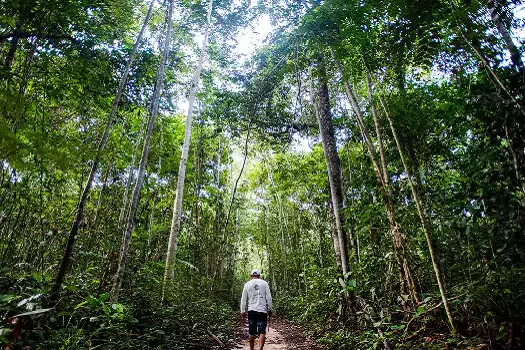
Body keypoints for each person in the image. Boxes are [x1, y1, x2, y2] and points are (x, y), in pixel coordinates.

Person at [240, 269, 273, 350]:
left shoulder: (247, 284)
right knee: (262, 331)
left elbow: (243, 299)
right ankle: (260, 348)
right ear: (259, 276)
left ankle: (252, 349)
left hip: (251, 310)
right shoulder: (264, 283)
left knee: (251, 332)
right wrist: (270, 309)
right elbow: (269, 297)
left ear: (251, 276)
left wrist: (242, 310)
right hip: (262, 310)